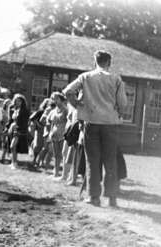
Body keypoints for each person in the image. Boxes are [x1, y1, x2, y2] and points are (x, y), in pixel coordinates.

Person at [63, 50, 127, 207]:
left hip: (91, 123)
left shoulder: (85, 77)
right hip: (110, 124)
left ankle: (94, 197)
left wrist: (77, 105)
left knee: (92, 161)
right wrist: (117, 112)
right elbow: (123, 103)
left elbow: (67, 91)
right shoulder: (116, 78)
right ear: (109, 62)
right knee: (111, 161)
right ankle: (112, 199)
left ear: (95, 61)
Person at [46, 92, 68, 179]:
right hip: (54, 134)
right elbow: (51, 123)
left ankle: (64, 174)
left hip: (63, 134)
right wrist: (50, 133)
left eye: (56, 98)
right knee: (56, 154)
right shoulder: (53, 111)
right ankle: (55, 172)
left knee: (63, 154)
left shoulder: (66, 110)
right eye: (53, 98)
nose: (55, 100)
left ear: (61, 99)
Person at [9, 94, 29, 169]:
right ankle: (13, 162)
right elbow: (11, 120)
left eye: (19, 101)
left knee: (13, 146)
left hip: (19, 130)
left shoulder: (24, 110)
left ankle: (14, 163)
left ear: (22, 102)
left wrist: (18, 128)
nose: (18, 102)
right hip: (12, 129)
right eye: (16, 101)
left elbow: (25, 122)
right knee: (14, 147)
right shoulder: (14, 109)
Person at [29, 98, 51, 167]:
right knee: (38, 145)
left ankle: (40, 161)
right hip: (40, 130)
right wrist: (39, 125)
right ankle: (34, 160)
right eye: (48, 103)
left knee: (45, 147)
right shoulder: (41, 111)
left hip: (48, 130)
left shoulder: (52, 111)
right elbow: (32, 118)